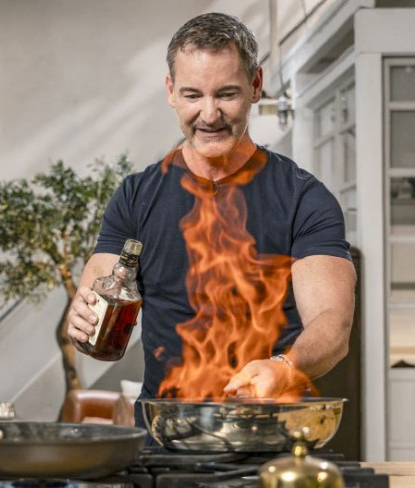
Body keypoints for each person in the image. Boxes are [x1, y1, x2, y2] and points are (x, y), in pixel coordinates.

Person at [67, 13, 356, 427]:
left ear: (255, 85)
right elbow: (97, 314)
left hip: (269, 435)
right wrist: (84, 326)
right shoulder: (135, 197)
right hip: (164, 437)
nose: (209, 114)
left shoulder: (304, 199)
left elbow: (331, 327)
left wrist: (286, 366)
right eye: (192, 95)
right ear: (171, 91)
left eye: (226, 94)